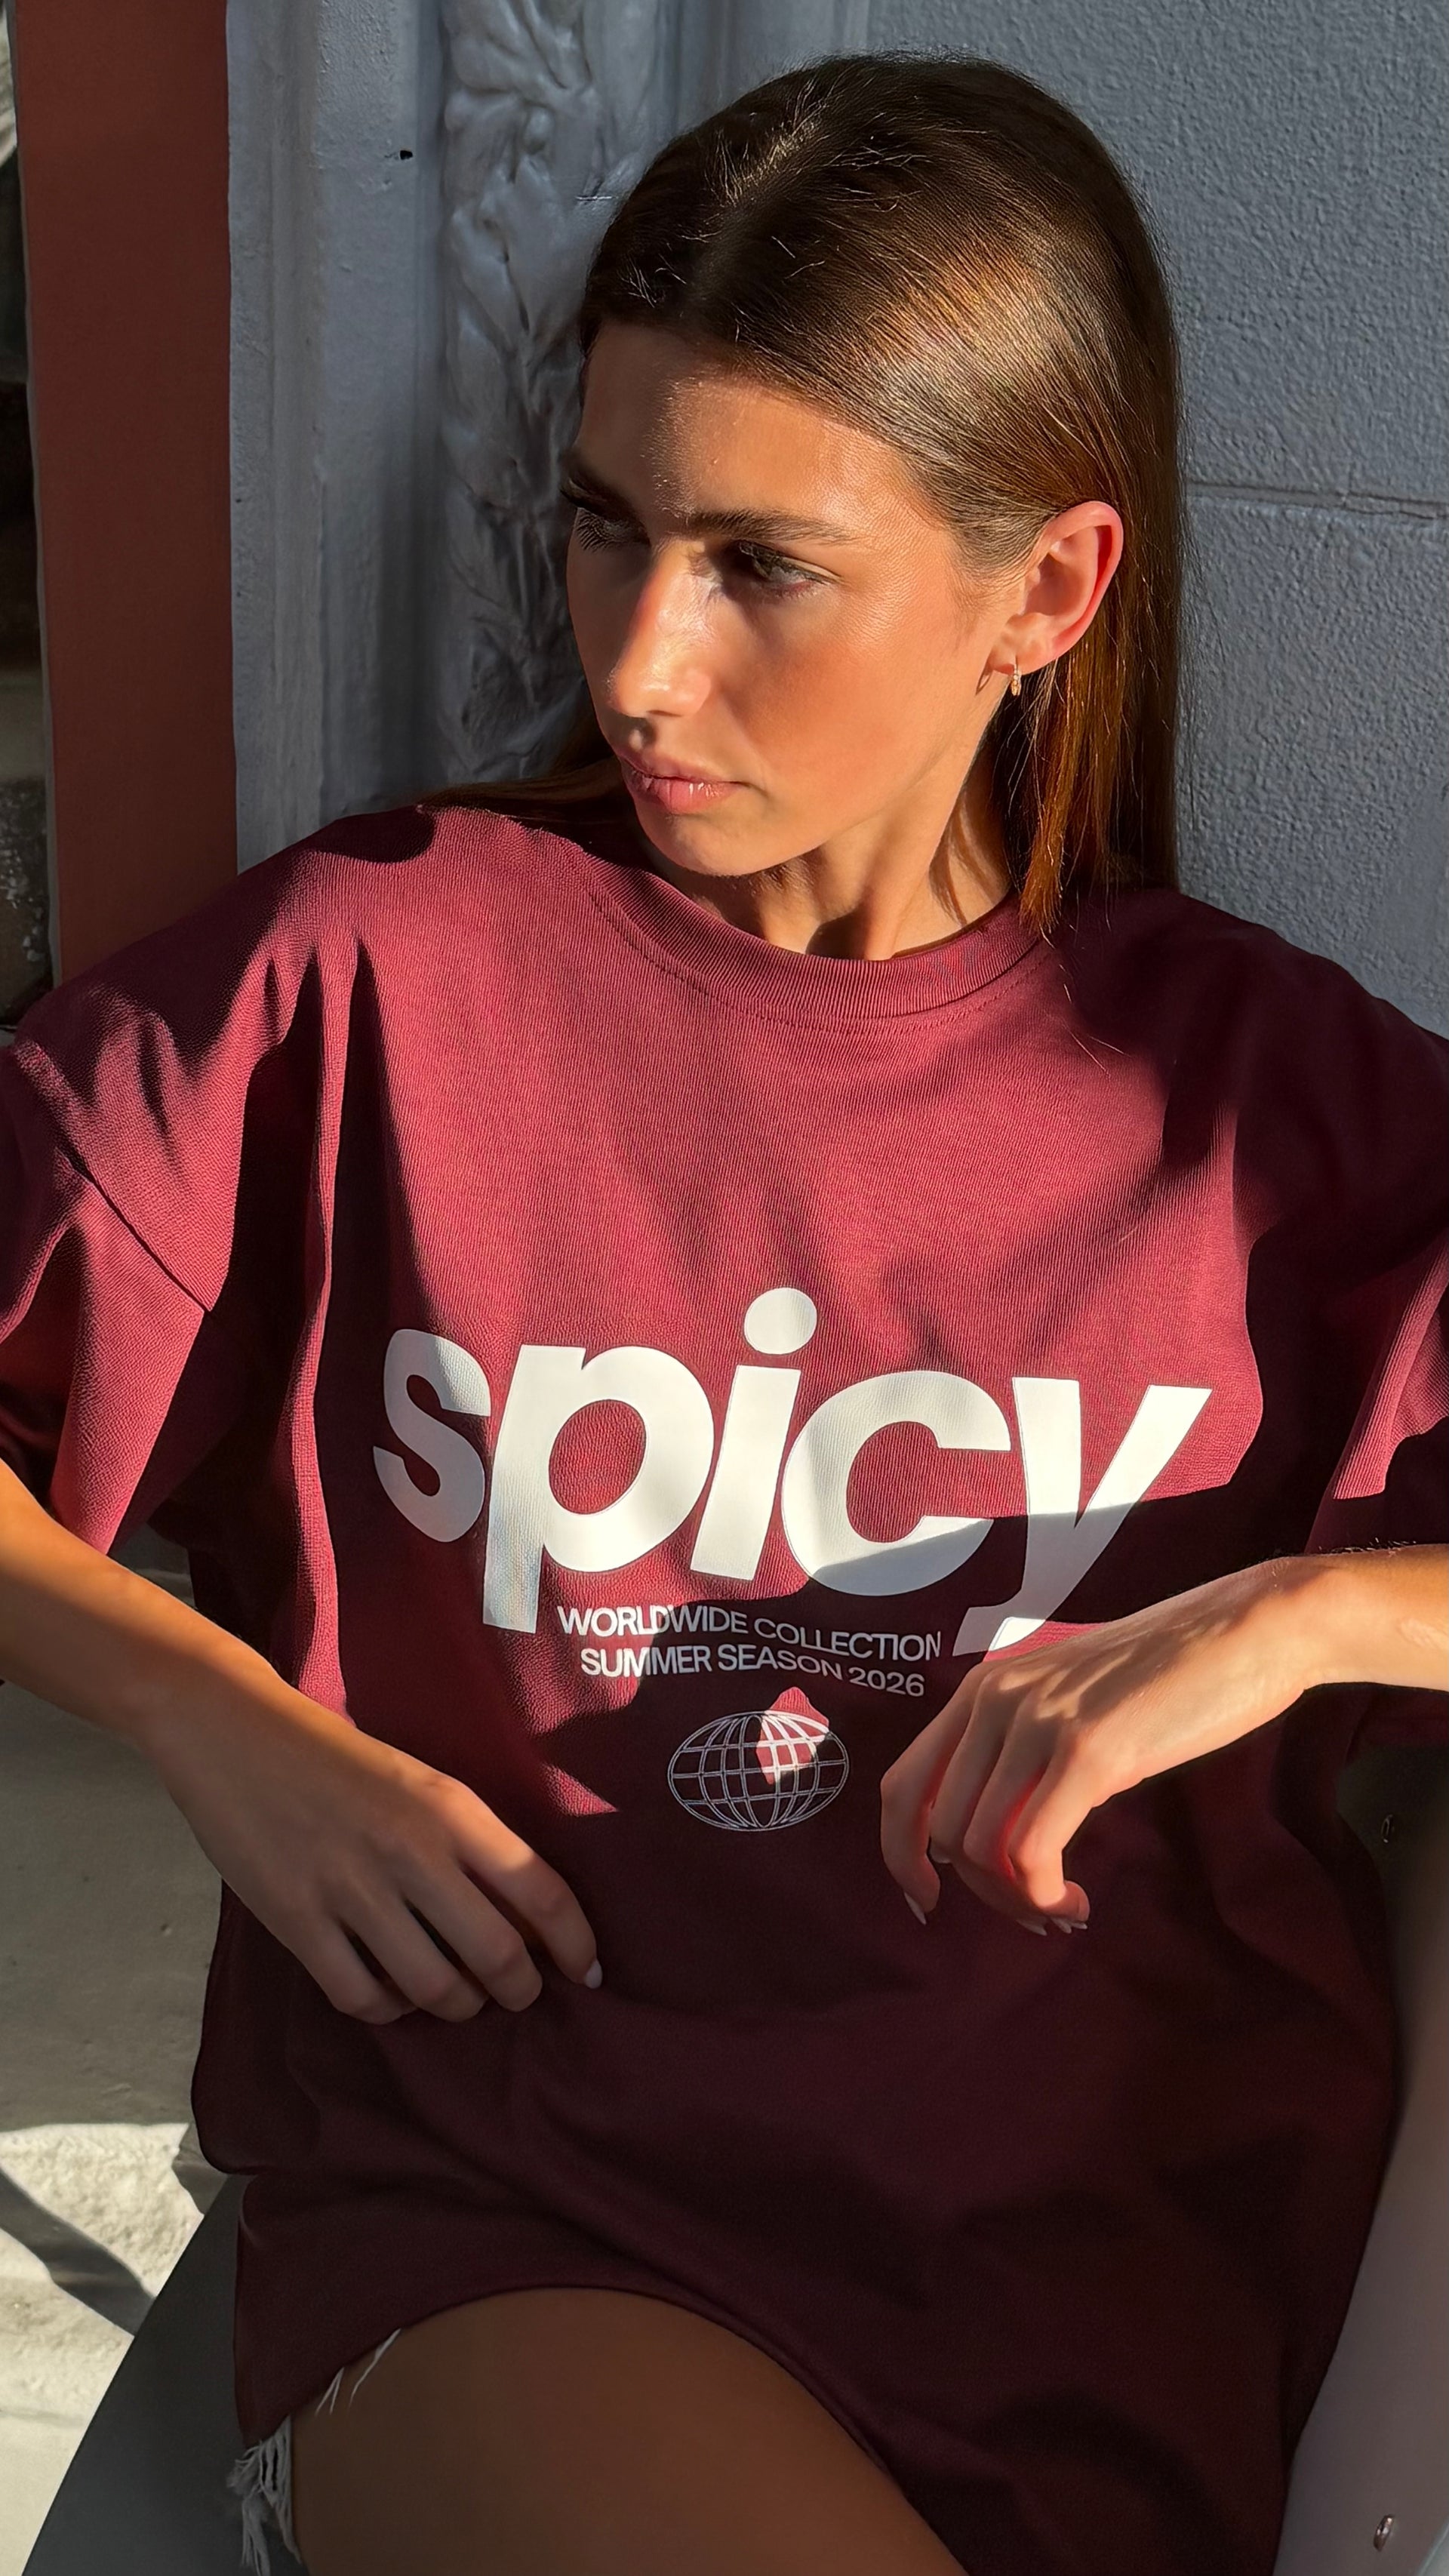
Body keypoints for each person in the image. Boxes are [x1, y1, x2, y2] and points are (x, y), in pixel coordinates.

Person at [0, 52, 1444, 2576]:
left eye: (762, 564)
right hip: (521, 2255)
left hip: (1118, 2329)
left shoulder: (1279, 1117)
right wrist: (207, 1713)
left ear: (1050, 592)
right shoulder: (380, 982)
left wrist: (1307, 1618)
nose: (644, 665)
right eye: (605, 525)